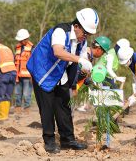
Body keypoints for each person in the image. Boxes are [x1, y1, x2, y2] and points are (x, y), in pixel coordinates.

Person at [27, 8, 99, 153]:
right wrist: (79, 60)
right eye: (85, 33)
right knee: (47, 107)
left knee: (64, 105)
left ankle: (68, 139)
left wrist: (89, 72)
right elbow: (58, 52)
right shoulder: (61, 31)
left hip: (60, 73)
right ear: (76, 26)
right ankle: (49, 141)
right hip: (42, 71)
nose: (85, 37)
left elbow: (82, 61)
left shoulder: (82, 41)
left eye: (88, 35)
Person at [14, 29, 34, 114]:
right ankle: (18, 109)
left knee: (26, 94)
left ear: (25, 39)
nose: (20, 41)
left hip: (27, 75)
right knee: (17, 93)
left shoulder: (32, 48)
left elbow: (34, 62)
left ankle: (27, 109)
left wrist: (33, 75)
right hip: (18, 75)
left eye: (21, 40)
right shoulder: (17, 47)